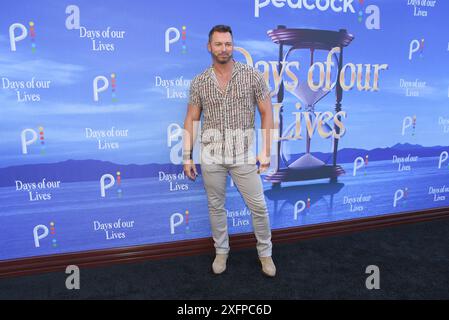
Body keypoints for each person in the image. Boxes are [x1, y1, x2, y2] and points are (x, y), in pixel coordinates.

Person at [182, 25, 276, 277]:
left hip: (244, 154)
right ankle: (221, 251)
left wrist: (266, 150)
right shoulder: (199, 82)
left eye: (228, 44)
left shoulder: (252, 76)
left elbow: (267, 113)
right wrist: (187, 155)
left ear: (232, 46)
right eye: (218, 44)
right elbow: (191, 118)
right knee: (216, 207)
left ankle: (265, 254)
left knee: (258, 206)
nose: (224, 49)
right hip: (211, 155)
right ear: (209, 47)